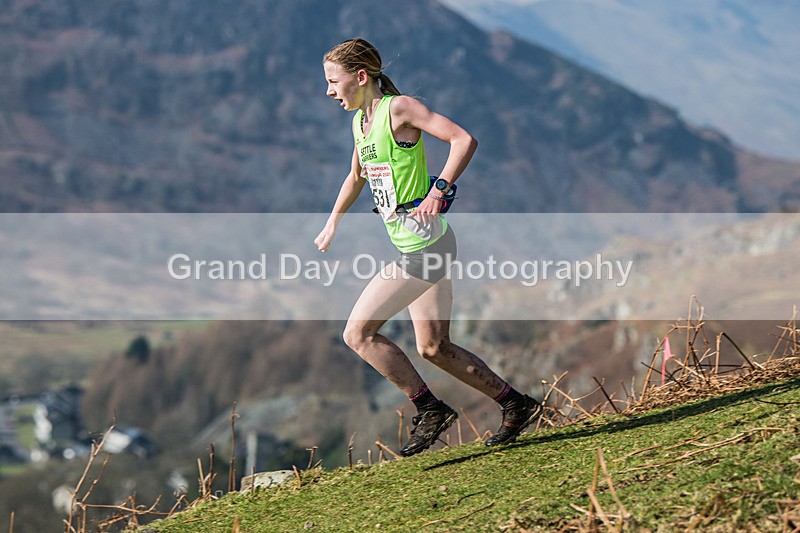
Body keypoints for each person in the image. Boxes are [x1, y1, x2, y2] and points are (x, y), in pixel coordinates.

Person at [316, 38, 542, 457]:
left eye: (334, 81)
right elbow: (357, 176)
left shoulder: (398, 109)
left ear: (360, 77)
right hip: (421, 244)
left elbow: (462, 139)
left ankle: (430, 409)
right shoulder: (360, 123)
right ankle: (517, 404)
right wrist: (332, 223)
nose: (329, 91)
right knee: (434, 347)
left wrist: (439, 190)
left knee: (357, 333)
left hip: (426, 248)